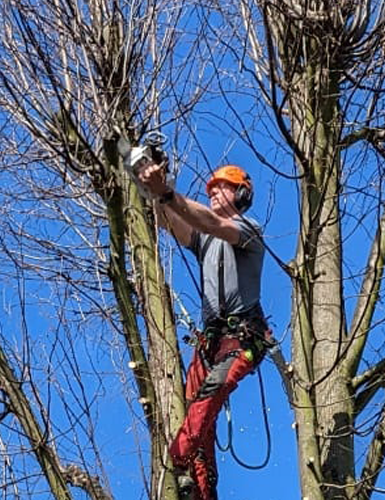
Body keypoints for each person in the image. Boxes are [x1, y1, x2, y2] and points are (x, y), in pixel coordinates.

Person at [137, 159, 273, 500]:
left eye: (223, 187)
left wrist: (166, 191)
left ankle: (175, 463)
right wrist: (153, 191)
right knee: (194, 414)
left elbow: (212, 223)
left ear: (241, 193)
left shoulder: (248, 230)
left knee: (207, 399)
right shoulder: (204, 240)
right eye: (211, 189)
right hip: (210, 341)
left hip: (242, 337)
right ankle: (198, 490)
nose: (214, 192)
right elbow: (172, 222)